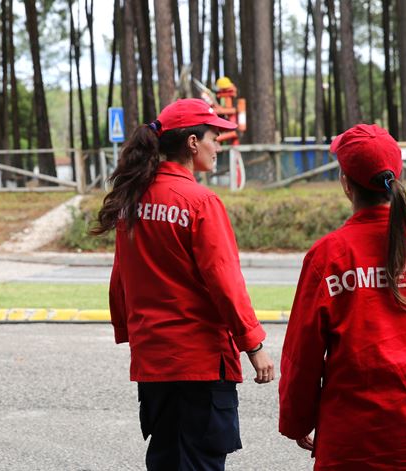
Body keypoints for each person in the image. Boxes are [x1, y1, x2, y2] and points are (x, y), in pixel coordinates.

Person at [92, 98, 275, 471]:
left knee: (167, 459)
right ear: (192, 143)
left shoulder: (133, 199)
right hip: (200, 363)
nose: (218, 144)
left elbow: (121, 276)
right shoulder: (200, 202)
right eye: (214, 136)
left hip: (155, 363)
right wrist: (253, 344)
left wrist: (132, 332)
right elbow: (225, 281)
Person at [278, 124, 406, 470]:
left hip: (356, 443)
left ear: (345, 183)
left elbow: (301, 356)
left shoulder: (328, 256)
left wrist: (296, 420)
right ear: (399, 175)